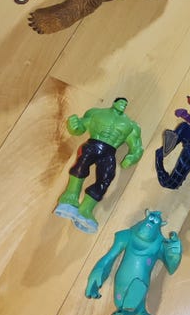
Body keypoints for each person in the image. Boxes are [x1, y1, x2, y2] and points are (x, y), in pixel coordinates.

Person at [55, 97, 143, 233]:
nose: (123, 105)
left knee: (106, 178)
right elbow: (80, 127)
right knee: (81, 165)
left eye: (125, 104)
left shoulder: (130, 126)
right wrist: (74, 126)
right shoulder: (96, 113)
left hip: (110, 152)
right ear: (114, 102)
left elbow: (137, 147)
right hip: (92, 144)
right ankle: (70, 196)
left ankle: (86, 210)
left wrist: (132, 157)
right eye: (121, 102)